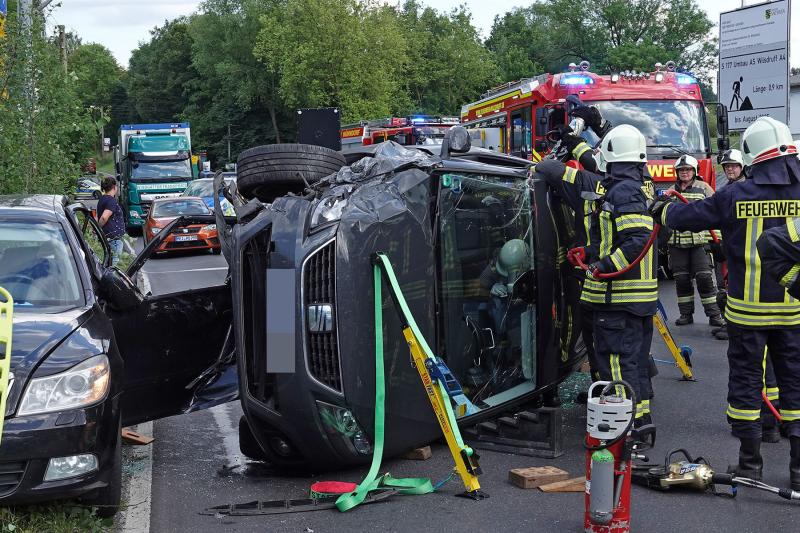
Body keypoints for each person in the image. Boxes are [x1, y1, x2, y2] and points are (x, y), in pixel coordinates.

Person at [651, 117, 800, 486]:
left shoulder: (736, 194)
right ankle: (798, 471)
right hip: (794, 310)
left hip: (747, 312)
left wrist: (661, 208)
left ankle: (750, 464)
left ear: (752, 154)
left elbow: (688, 217)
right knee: (796, 385)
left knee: (746, 385)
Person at [546, 125, 657, 425]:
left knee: (617, 365)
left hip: (619, 298)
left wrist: (604, 266)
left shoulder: (622, 191)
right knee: (632, 362)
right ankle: (640, 421)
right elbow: (616, 238)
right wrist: (589, 253)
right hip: (635, 298)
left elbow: (636, 240)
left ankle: (625, 428)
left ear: (609, 155)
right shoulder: (636, 187)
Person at [665, 155, 725, 330]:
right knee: (681, 280)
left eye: (688, 169)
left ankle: (714, 315)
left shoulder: (703, 188)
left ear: (694, 171)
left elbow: (717, 213)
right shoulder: (671, 190)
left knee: (705, 278)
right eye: (681, 170)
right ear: (677, 172)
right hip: (677, 245)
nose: (684, 173)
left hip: (700, 244)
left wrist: (717, 241)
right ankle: (686, 314)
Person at [96, 176, 125, 266]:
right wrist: (98, 228)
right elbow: (104, 217)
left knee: (108, 261)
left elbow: (98, 216)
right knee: (114, 263)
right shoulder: (111, 201)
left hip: (108, 236)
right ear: (114, 187)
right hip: (114, 238)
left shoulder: (102, 199)